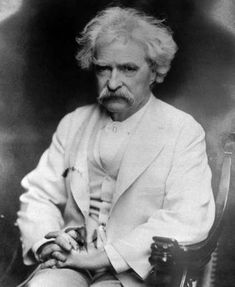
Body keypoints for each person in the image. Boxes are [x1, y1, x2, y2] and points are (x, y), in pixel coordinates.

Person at [17, 6, 215, 287]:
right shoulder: (74, 122)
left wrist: (101, 258)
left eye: (128, 69)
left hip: (134, 270)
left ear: (155, 71)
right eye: (103, 69)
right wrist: (47, 242)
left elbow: (186, 218)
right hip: (70, 261)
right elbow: (39, 194)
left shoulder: (183, 131)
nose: (112, 83)